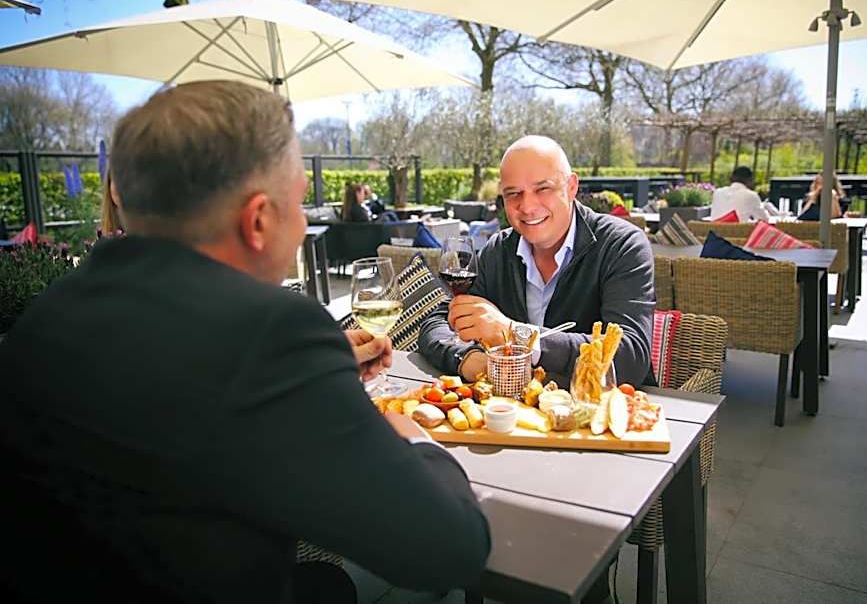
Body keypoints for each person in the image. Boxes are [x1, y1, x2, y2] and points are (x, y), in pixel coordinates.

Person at [0, 80, 489, 604]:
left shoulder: (48, 316)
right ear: (257, 220)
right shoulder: (270, 335)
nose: (301, 225)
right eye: (299, 203)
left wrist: (316, 375)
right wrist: (412, 437)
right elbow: (449, 547)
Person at [418, 135, 655, 387]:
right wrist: (467, 359)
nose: (527, 206)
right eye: (513, 194)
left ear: (571, 187)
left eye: (543, 189)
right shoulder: (498, 251)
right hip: (512, 407)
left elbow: (630, 356)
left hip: (602, 407)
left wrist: (514, 334)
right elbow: (437, 323)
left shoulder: (622, 244)